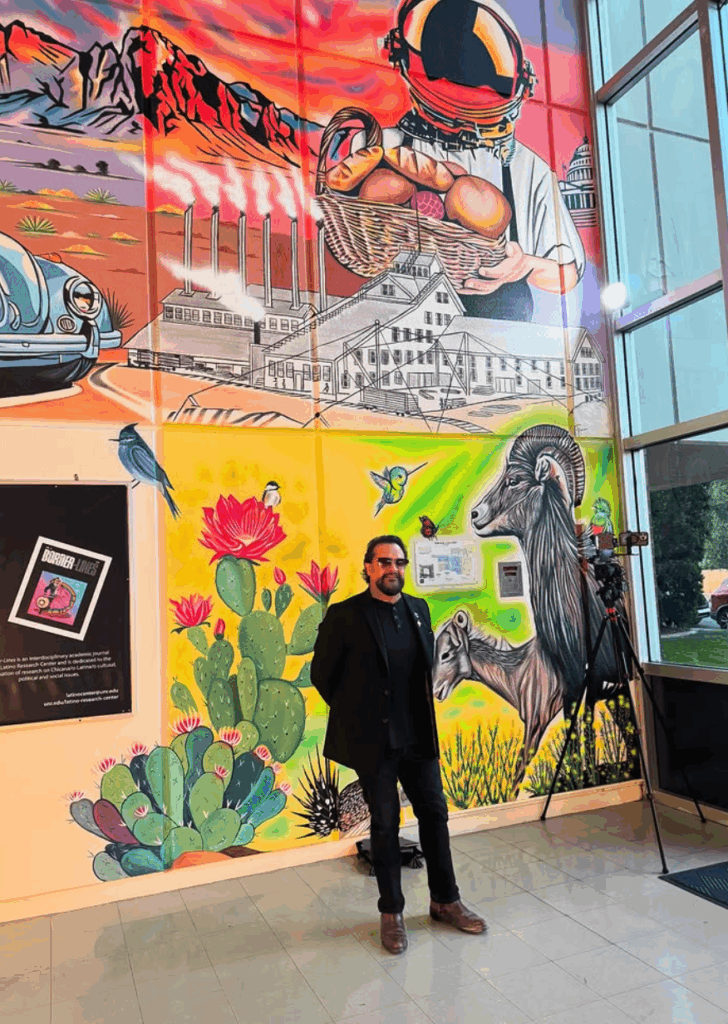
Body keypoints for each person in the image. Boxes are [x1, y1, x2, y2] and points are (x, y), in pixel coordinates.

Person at [310, 534, 486, 954]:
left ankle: (446, 901)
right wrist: (360, 712)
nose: (393, 569)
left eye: (399, 562)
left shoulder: (418, 611)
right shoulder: (345, 615)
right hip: (374, 741)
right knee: (386, 825)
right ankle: (392, 913)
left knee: (435, 815)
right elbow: (323, 675)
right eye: (384, 562)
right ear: (368, 567)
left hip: (418, 736)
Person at [358, 0, 586, 322]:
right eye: (450, 113)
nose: (462, 125)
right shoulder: (381, 145)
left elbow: (568, 273)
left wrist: (524, 266)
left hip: (500, 343)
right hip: (395, 327)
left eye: (475, 113)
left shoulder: (527, 168)